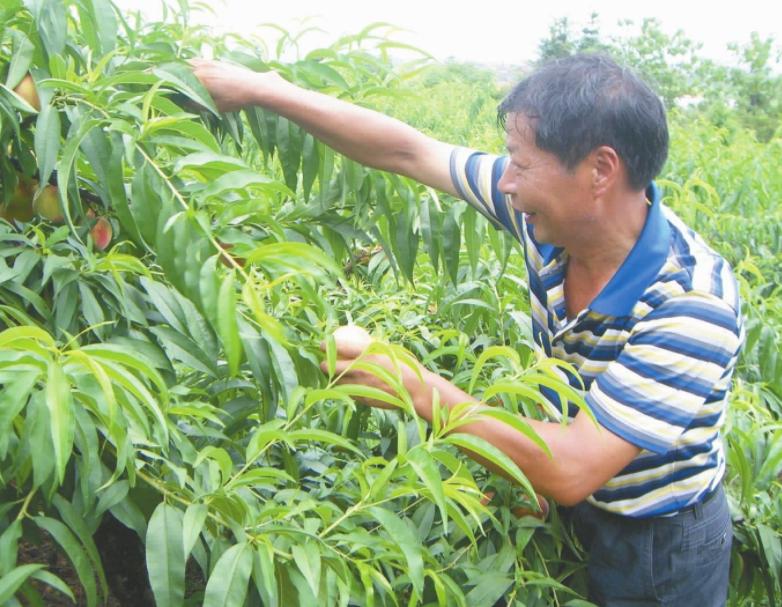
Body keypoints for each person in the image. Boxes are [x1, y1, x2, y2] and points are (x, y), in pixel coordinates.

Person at [192, 53, 742, 606]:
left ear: (600, 170)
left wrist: (412, 386)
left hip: (657, 543)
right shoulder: (550, 221)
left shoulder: (693, 303)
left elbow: (573, 467)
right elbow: (409, 151)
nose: (505, 182)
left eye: (521, 165)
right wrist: (263, 89)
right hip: (575, 506)